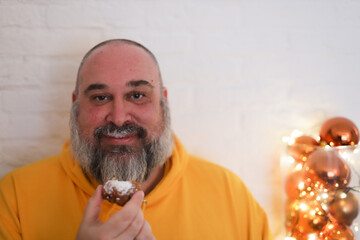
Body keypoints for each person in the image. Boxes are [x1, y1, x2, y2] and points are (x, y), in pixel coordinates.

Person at [0, 39, 273, 240]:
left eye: (137, 95)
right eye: (100, 97)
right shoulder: (13, 196)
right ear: (75, 106)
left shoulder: (231, 195)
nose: (119, 118)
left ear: (162, 102)